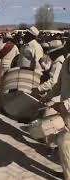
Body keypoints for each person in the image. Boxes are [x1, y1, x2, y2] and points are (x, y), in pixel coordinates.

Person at [40, 42, 70, 179]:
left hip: (67, 108)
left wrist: (66, 104)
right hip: (66, 110)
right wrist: (47, 96)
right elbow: (58, 85)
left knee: (64, 142)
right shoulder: (67, 60)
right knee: (64, 142)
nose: (66, 45)